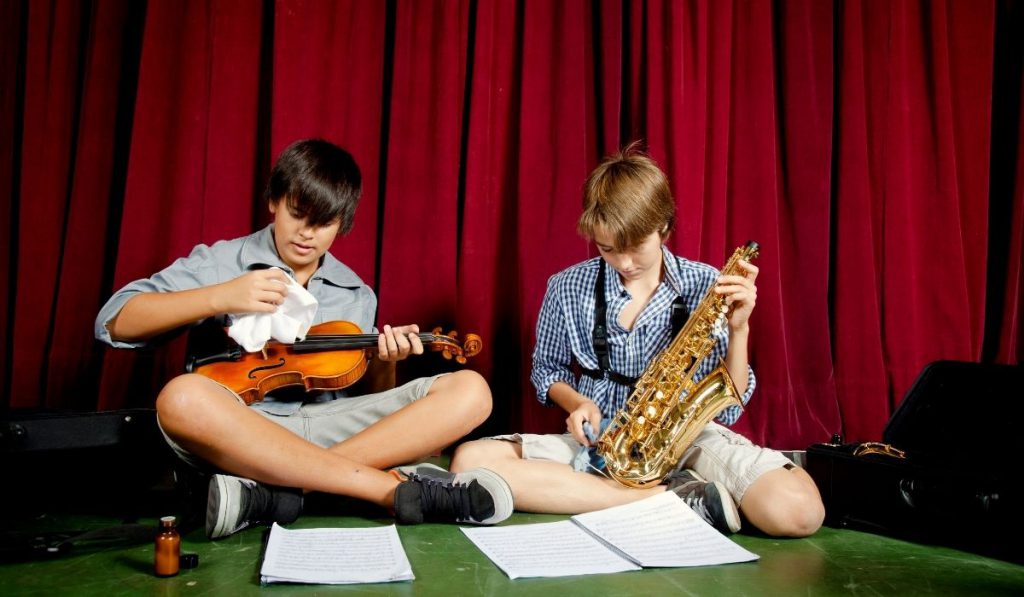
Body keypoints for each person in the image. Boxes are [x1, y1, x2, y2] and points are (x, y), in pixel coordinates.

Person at [95, 139, 512, 539]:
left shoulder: (356, 293)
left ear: (342, 225)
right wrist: (219, 295)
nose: (306, 234)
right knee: (180, 398)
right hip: (245, 433)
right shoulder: (223, 261)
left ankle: (275, 495)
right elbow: (114, 321)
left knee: (472, 391)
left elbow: (359, 402)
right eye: (297, 213)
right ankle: (383, 489)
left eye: (323, 223)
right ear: (274, 201)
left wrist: (386, 362)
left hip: (328, 431)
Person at [450, 143, 824, 537]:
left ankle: (611, 494)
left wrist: (739, 329)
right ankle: (669, 499)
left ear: (664, 226)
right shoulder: (565, 286)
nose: (625, 264)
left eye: (635, 249)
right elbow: (547, 369)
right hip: (602, 443)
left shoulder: (707, 284)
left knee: (798, 512)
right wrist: (577, 402)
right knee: (470, 462)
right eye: (608, 249)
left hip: (690, 437)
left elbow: (729, 408)